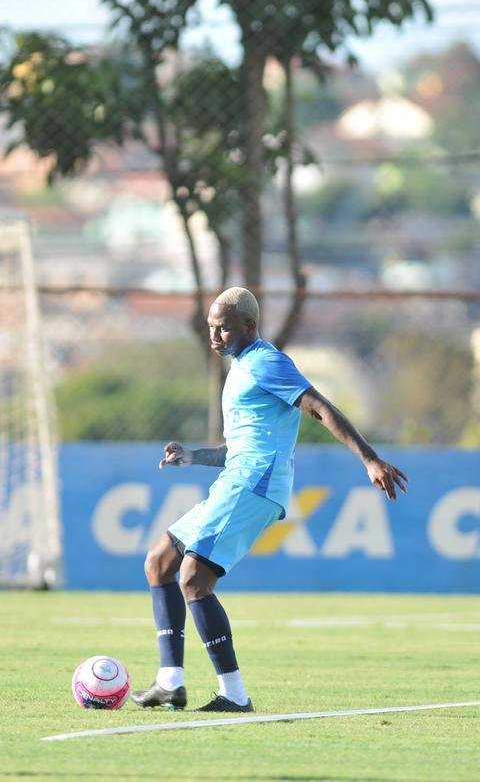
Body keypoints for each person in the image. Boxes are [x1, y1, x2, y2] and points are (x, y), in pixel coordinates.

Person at [131, 286, 409, 713]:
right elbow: (238, 448)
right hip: (238, 477)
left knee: (192, 579)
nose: (215, 336)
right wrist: (193, 457)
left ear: (249, 326)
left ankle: (234, 695)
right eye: (210, 328)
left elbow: (318, 407)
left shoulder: (267, 360)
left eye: (223, 328)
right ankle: (171, 682)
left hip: (254, 485)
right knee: (159, 563)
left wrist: (369, 459)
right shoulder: (241, 368)